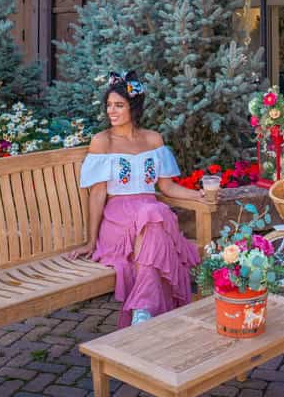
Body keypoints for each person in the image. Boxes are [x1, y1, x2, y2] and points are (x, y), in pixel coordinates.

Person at [68, 71, 208, 327]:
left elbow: (167, 187)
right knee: (155, 214)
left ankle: (143, 309)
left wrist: (199, 195)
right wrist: (91, 241)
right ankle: (148, 309)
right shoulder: (102, 142)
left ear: (133, 107)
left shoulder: (153, 139)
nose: (112, 111)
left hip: (150, 214)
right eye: (109, 105)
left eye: (119, 105)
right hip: (117, 221)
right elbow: (98, 194)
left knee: (153, 214)